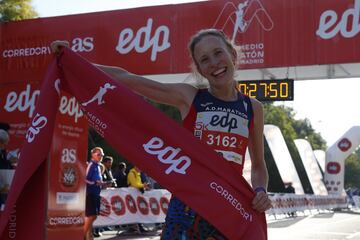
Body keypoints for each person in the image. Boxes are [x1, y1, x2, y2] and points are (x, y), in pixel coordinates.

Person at [51, 28, 272, 239]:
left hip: (228, 209)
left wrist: (260, 189)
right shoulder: (189, 96)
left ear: (232, 54)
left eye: (218, 53)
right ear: (199, 68)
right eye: (204, 59)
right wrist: (74, 61)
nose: (214, 63)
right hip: (187, 207)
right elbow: (129, 79)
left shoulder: (253, 108)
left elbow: (259, 165)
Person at [84, 147, 107, 240]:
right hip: (90, 193)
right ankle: (83, 235)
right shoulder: (91, 165)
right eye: (98, 154)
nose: (101, 156)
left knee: (93, 216)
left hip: (96, 193)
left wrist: (102, 184)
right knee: (92, 216)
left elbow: (97, 180)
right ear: (92, 154)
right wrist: (95, 183)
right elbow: (85, 178)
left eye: (102, 155)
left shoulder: (98, 166)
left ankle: (88, 236)